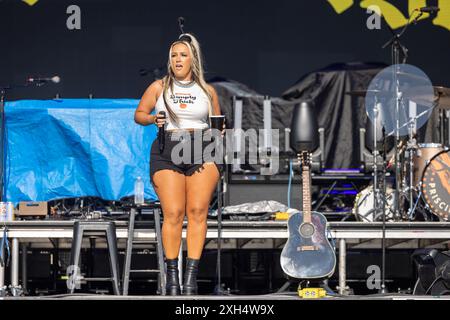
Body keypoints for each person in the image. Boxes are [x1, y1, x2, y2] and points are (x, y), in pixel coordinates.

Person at [134, 33, 223, 295]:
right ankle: (172, 277)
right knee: (173, 212)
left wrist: (219, 134)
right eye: (173, 56)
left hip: (202, 147)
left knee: (197, 211)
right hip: (168, 148)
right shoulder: (159, 87)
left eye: (183, 55)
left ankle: (191, 279)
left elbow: (217, 123)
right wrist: (153, 120)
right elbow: (139, 114)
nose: (177, 60)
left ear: (193, 58)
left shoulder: (207, 90)